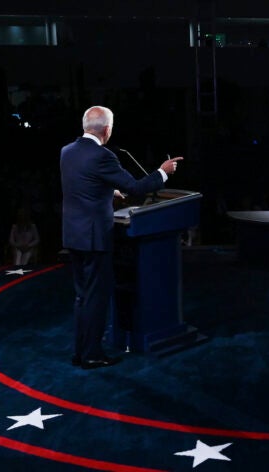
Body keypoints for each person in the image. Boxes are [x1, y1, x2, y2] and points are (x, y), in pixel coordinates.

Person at [60, 105, 183, 369]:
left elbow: (82, 185)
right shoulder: (103, 156)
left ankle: (80, 351)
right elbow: (137, 188)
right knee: (97, 296)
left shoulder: (67, 152)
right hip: (95, 238)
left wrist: (107, 191)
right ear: (107, 129)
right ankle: (92, 355)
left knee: (82, 296)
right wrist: (163, 171)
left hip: (73, 235)